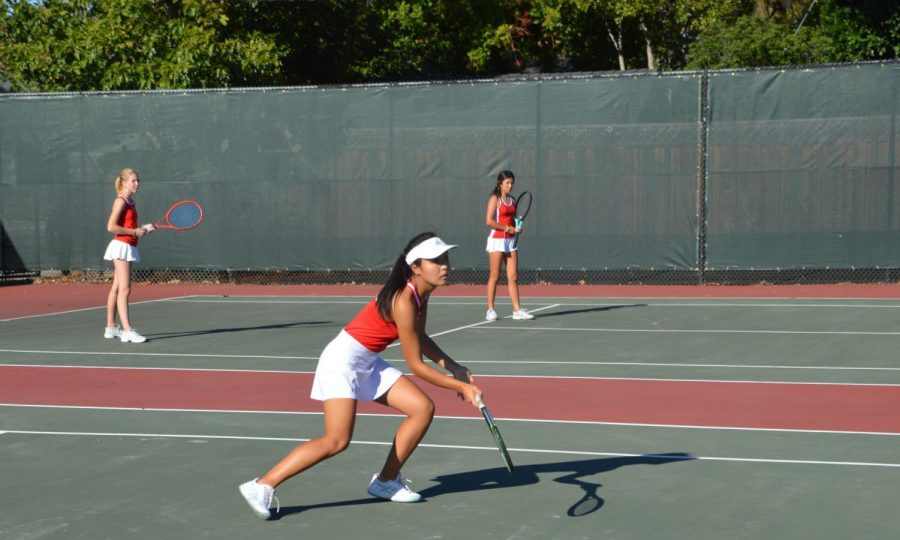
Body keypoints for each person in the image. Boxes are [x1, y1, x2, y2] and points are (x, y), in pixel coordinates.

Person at [238, 232, 482, 519]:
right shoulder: (403, 299)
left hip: (366, 360)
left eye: (446, 259)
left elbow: (420, 336)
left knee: (421, 408)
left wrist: (453, 366)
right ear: (416, 267)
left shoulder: (421, 294)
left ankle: (386, 481)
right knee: (337, 440)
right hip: (341, 361)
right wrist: (459, 387)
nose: (445, 266)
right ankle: (262, 485)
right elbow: (416, 365)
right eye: (437, 260)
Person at [103, 168, 155, 343]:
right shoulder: (121, 201)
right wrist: (134, 231)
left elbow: (132, 228)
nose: (137, 183)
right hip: (122, 246)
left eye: (138, 180)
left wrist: (143, 230)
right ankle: (127, 330)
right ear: (124, 183)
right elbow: (111, 227)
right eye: (133, 181)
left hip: (128, 245)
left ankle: (110, 327)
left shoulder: (130, 202)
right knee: (125, 289)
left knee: (117, 288)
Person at [484, 170, 534, 321]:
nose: (510, 185)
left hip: (511, 241)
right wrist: (507, 228)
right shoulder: (495, 199)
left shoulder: (512, 200)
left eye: (512, 183)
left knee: (513, 276)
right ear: (500, 183)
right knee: (495, 275)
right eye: (507, 183)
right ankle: (490, 310)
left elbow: (511, 220)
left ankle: (517, 311)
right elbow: (489, 221)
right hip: (497, 240)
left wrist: (516, 226)